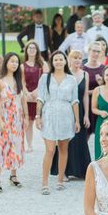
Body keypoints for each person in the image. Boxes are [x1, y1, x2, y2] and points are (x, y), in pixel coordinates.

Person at [36, 50, 80, 194]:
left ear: (65, 61)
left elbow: (75, 101)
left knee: (63, 149)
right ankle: (44, 183)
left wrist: (77, 120)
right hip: (49, 114)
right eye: (56, 59)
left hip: (66, 116)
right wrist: (38, 116)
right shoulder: (45, 78)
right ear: (52, 62)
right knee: (50, 150)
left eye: (61, 59)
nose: (59, 62)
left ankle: (60, 179)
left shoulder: (71, 79)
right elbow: (40, 98)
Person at [51, 50, 92, 179]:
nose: (78, 60)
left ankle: (81, 171)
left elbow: (85, 95)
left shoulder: (85, 74)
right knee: (65, 141)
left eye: (80, 57)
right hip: (65, 110)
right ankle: (64, 172)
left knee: (80, 140)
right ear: (69, 58)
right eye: (75, 57)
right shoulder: (64, 74)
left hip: (80, 111)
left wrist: (86, 115)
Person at [0, 52, 28, 193]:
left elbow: (23, 98)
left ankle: (13, 175)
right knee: (1, 147)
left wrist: (25, 116)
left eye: (16, 62)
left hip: (17, 118)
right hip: (4, 118)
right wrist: (0, 119)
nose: (14, 64)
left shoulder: (18, 80)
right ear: (6, 62)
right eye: (12, 61)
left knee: (16, 145)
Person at [22, 40, 49, 152]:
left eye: (34, 48)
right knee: (28, 122)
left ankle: (48, 144)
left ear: (37, 50)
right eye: (30, 48)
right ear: (26, 50)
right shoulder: (22, 66)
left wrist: (36, 91)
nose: (32, 50)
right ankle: (29, 145)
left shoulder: (43, 65)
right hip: (27, 97)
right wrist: (27, 93)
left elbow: (46, 80)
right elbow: (21, 82)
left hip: (39, 96)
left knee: (43, 121)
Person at [84, 42, 106, 135]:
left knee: (102, 134)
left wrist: (101, 84)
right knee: (86, 134)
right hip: (86, 104)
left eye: (98, 51)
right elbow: (80, 90)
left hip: (100, 105)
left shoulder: (104, 69)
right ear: (89, 51)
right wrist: (94, 91)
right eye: (94, 51)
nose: (96, 54)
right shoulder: (82, 68)